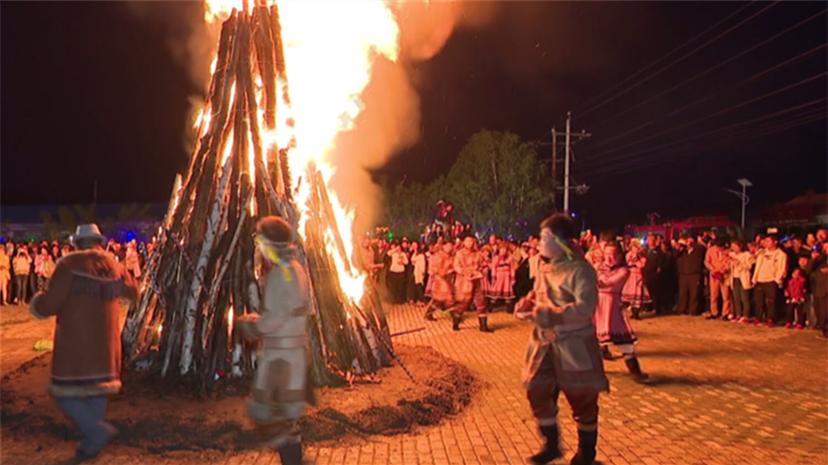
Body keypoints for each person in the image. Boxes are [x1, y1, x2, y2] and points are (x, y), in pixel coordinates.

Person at [29, 224, 138, 460]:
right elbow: (133, 292)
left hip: (76, 345)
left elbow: (50, 304)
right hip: (106, 346)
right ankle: (91, 444)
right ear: (98, 242)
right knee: (98, 391)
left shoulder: (68, 265)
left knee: (64, 393)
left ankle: (96, 431)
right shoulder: (114, 266)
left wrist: (38, 303)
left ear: (77, 242)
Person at [515, 214, 608, 465]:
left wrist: (547, 314)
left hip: (574, 346)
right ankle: (552, 445)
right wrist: (528, 302)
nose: (540, 241)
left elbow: (585, 308)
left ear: (563, 241)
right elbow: (538, 294)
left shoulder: (582, 271)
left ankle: (586, 454)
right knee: (537, 390)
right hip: (543, 345)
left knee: (583, 400)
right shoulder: (546, 267)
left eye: (546, 237)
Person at [235, 216, 312, 465]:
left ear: (271, 242)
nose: (258, 245)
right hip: (290, 354)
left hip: (282, 359)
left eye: (260, 239)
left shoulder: (284, 273)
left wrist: (252, 324)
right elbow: (288, 310)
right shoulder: (294, 268)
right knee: (284, 421)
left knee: (269, 416)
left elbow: (277, 317)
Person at [595, 242, 649, 381]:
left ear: (620, 256)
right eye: (607, 254)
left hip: (612, 308)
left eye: (613, 255)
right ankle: (594, 370)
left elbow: (607, 283)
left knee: (625, 342)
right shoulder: (597, 267)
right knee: (592, 340)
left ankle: (635, 372)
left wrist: (589, 278)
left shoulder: (624, 271)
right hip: (596, 306)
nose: (609, 258)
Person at [452, 235, 491, 332]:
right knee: (462, 303)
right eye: (468, 241)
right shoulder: (459, 254)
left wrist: (482, 271)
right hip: (464, 282)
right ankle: (455, 323)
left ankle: (483, 326)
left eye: (471, 241)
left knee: (481, 302)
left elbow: (484, 265)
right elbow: (456, 266)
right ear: (464, 243)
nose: (470, 243)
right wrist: (465, 272)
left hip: (476, 280)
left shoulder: (478, 254)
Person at [752, 235, 787, 327]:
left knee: (770, 301)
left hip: (771, 280)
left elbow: (781, 268)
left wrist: (777, 279)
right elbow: (755, 263)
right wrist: (755, 278)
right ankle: (758, 318)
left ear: (775, 242)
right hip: (760, 279)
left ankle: (770, 318)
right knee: (759, 301)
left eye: (768, 241)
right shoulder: (762, 253)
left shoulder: (781, 254)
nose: (766, 243)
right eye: (765, 241)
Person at [424, 242, 455, 322]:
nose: (450, 248)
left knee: (443, 299)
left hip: (446, 279)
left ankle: (428, 314)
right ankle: (454, 316)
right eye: (448, 246)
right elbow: (436, 270)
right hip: (440, 280)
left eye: (451, 246)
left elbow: (452, 267)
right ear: (444, 246)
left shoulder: (449, 256)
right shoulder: (439, 256)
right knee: (444, 298)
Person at [621, 239, 650, 320]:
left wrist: (636, 260)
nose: (635, 249)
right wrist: (634, 262)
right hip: (631, 276)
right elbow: (628, 263)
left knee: (638, 293)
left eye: (637, 247)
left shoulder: (641, 256)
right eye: (634, 247)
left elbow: (642, 265)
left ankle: (636, 313)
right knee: (631, 294)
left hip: (638, 276)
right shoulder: (628, 254)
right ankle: (633, 312)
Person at [676, 236, 705, 315]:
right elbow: (675, 254)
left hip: (694, 274)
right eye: (687, 240)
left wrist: (695, 243)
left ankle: (693, 310)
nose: (688, 242)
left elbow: (702, 248)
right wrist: (681, 246)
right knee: (683, 293)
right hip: (683, 274)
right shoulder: (683, 251)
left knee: (694, 293)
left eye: (689, 240)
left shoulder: (698, 250)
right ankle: (682, 309)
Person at [704, 238, 732, 320]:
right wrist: (713, 269)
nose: (719, 248)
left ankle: (725, 313)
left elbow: (729, 261)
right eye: (718, 247)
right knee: (714, 294)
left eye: (721, 247)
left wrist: (724, 269)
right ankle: (714, 312)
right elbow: (706, 261)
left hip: (725, 275)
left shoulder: (727, 251)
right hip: (714, 275)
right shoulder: (710, 250)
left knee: (726, 295)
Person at [729, 240, 755, 323]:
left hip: (743, 278)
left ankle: (746, 315)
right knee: (736, 298)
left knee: (744, 298)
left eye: (735, 246)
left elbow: (749, 266)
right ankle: (738, 314)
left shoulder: (746, 255)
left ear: (740, 246)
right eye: (732, 246)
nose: (733, 248)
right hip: (734, 278)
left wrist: (739, 263)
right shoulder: (731, 255)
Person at [642, 234, 667, 314]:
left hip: (654, 276)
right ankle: (647, 308)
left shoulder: (659, 251)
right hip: (645, 274)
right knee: (646, 292)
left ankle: (657, 309)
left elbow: (661, 265)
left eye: (652, 240)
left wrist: (657, 273)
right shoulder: (644, 251)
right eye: (649, 240)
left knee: (655, 293)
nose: (650, 241)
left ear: (655, 240)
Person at [487, 244, 516, 311]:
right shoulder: (496, 258)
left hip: (507, 277)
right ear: (499, 250)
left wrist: (513, 278)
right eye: (502, 249)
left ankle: (509, 308)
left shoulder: (510, 258)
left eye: (505, 249)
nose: (503, 251)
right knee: (495, 291)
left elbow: (512, 268)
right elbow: (493, 268)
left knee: (507, 292)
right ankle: (490, 307)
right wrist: (493, 277)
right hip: (499, 276)